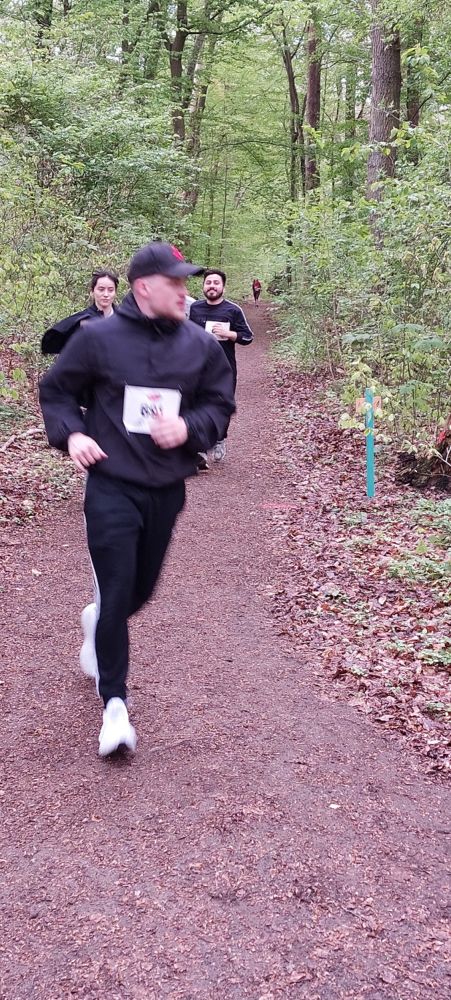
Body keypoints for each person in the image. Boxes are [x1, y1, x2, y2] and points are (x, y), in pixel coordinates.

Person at [39, 242, 235, 757]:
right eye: (176, 283)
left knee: (137, 594)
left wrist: (189, 428)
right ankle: (115, 707)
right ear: (144, 287)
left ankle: (99, 619)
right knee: (116, 587)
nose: (186, 292)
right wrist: (72, 435)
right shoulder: (96, 339)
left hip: (165, 489)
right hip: (111, 483)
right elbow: (56, 391)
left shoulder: (201, 346)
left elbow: (219, 405)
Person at [189, 269, 253, 464]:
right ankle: (200, 448)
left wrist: (230, 334)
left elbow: (248, 337)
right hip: (198, 368)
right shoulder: (195, 308)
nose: (212, 286)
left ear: (223, 287)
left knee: (222, 406)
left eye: (216, 283)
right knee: (196, 405)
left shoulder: (233, 310)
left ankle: (219, 439)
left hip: (224, 368)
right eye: (208, 283)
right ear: (203, 286)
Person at [41, 270, 119, 354]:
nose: (106, 294)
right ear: (92, 292)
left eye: (110, 290)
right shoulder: (83, 321)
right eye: (101, 289)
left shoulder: (124, 319)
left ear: (115, 293)